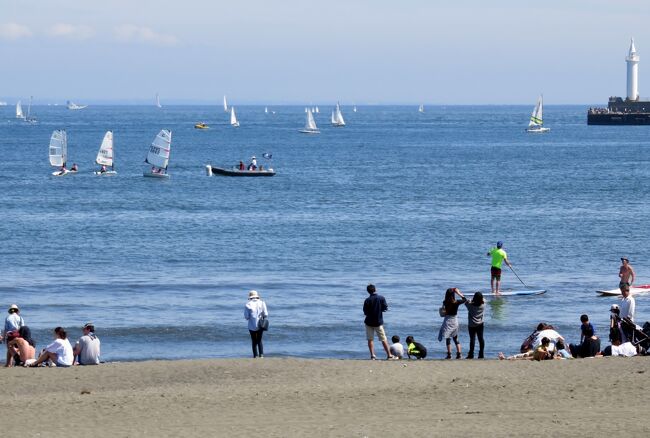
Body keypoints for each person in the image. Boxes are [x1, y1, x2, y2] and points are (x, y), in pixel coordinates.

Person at [363, 284, 394, 360]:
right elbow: (385, 308)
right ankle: (389, 355)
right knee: (383, 339)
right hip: (378, 322)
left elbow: (365, 312)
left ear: (368, 291)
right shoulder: (381, 298)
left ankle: (372, 355)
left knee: (370, 339)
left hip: (369, 322)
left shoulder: (367, 300)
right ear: (375, 290)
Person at [438, 288, 467, 359]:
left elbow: (443, 310)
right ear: (453, 294)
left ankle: (449, 355)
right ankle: (459, 354)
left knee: (448, 339)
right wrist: (458, 293)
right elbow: (465, 299)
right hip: (454, 321)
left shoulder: (445, 302)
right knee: (455, 338)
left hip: (447, 321)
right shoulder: (456, 302)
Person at [244, 290, 268, 358]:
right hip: (261, 325)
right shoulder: (262, 303)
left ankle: (255, 356)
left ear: (250, 297)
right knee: (259, 340)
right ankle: (261, 355)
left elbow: (246, 317)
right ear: (257, 296)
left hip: (251, 325)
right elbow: (266, 314)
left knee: (254, 341)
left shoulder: (248, 304)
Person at [464, 292, 485, 359]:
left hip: (471, 325)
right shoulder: (483, 305)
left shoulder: (470, 306)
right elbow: (484, 300)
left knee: (472, 339)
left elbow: (466, 303)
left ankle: (471, 354)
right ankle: (481, 354)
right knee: (481, 339)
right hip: (480, 324)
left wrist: (470, 300)